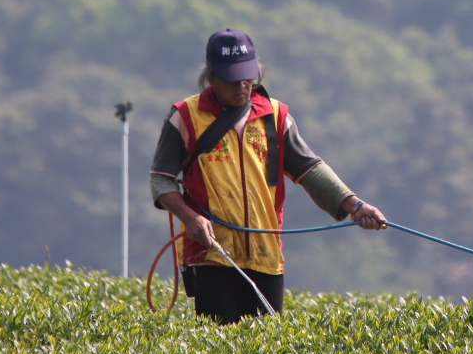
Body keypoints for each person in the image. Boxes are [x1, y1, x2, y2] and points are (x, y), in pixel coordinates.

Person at [149, 27, 387, 324]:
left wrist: (356, 206)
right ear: (211, 78)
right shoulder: (185, 116)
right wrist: (190, 218)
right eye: (232, 79)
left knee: (266, 352)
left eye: (248, 76)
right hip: (211, 256)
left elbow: (309, 169)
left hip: (267, 257)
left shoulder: (276, 116)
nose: (242, 85)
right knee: (220, 353)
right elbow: (161, 180)